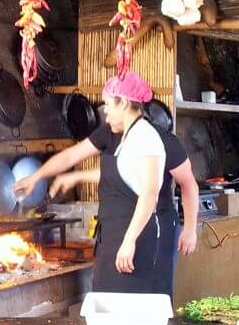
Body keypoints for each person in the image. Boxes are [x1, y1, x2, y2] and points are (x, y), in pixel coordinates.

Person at [14, 73, 198, 294]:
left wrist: (190, 229)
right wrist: (36, 177)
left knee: (147, 297)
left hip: (151, 227)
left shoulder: (161, 141)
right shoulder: (111, 134)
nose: (105, 111)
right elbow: (73, 157)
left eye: (109, 105)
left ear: (124, 103)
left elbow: (187, 185)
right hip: (113, 228)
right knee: (108, 295)